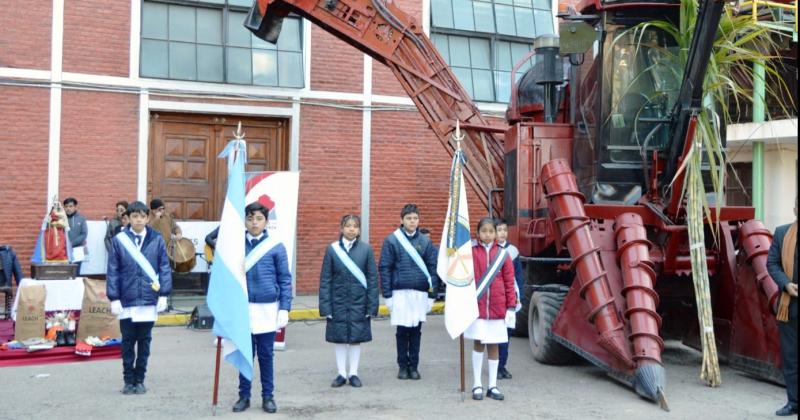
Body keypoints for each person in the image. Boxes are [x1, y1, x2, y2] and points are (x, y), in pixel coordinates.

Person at [106, 201, 172, 395]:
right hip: (126, 298)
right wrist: (114, 297)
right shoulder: (119, 240)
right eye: (135, 216)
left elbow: (164, 268)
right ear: (128, 218)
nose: (139, 220)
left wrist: (164, 294)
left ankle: (140, 379)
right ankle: (128, 380)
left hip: (148, 299)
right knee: (127, 342)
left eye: (142, 216)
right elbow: (113, 270)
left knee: (144, 341)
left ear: (147, 218)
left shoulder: (157, 239)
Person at [232, 202, 293, 414]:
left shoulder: (276, 246)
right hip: (243, 307)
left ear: (266, 221)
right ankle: (244, 395)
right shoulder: (236, 244)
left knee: (266, 355)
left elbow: (285, 279)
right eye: (250, 219)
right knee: (245, 355)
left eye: (258, 219)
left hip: (268, 307)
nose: (254, 223)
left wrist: (285, 307)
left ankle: (268, 396)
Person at [379, 203, 440, 380]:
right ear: (402, 220)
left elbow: (433, 268)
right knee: (401, 331)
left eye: (415, 218)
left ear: (418, 220)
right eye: (408, 218)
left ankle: (414, 366)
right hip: (400, 293)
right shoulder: (392, 240)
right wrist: (388, 295)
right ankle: (402, 366)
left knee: (416, 331)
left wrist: (432, 294)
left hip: (419, 293)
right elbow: (385, 268)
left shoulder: (425, 241)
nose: (412, 221)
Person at [319, 215, 379, 388]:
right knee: (339, 338)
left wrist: (371, 305)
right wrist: (326, 306)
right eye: (348, 226)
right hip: (337, 301)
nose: (351, 229)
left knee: (355, 338)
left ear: (359, 230)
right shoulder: (332, 250)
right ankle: (341, 373)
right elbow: (325, 280)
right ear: (341, 228)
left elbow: (373, 279)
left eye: (355, 226)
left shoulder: (366, 250)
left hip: (359, 302)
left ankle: (353, 373)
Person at [465, 217, 516, 401]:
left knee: (494, 345)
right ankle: (477, 383)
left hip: (497, 309)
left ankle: (492, 385)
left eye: (491, 231)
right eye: (484, 231)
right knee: (478, 343)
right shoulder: (470, 253)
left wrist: (511, 307)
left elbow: (510, 282)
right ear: (478, 233)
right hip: (477, 308)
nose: (487, 235)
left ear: (495, 233)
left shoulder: (503, 254)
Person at [767, 198, 798, 417]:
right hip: (790, 306)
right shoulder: (781, 233)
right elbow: (772, 263)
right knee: (791, 358)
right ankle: (793, 401)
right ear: (795, 208)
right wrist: (786, 284)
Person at [495, 219, 523, 380]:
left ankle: (502, 365)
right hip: (497, 298)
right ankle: (496, 365)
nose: (503, 233)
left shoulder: (513, 251)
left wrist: (520, 296)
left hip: (511, 298)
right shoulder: (491, 250)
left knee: (507, 333)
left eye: (505, 230)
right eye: (499, 230)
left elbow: (518, 275)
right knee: (496, 334)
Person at [63, 197, 88, 272]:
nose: (68, 208)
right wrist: (66, 244)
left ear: (75, 207)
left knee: (76, 273)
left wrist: (71, 243)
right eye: (66, 206)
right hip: (64, 250)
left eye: (70, 206)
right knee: (64, 272)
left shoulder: (81, 219)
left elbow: (84, 234)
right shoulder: (61, 219)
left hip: (77, 250)